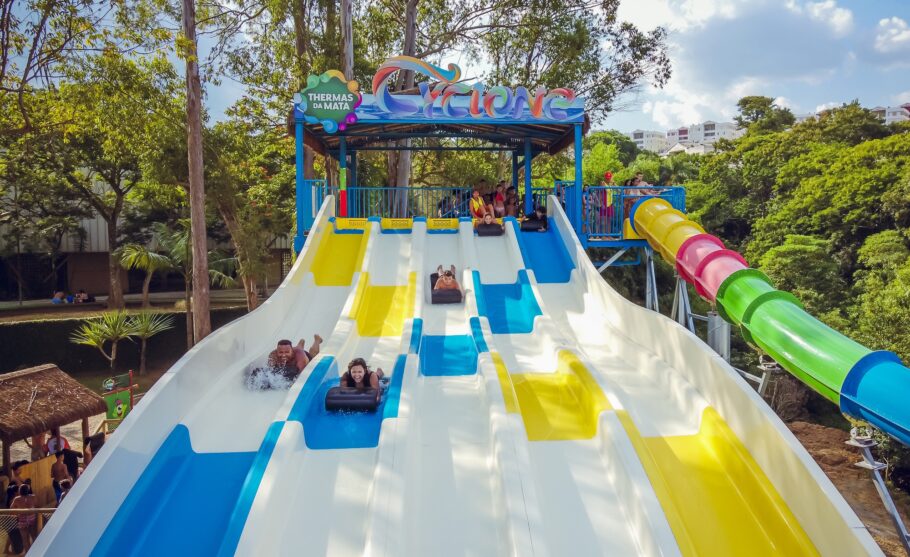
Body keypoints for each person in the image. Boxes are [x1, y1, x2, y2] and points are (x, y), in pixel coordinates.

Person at [10, 484, 37, 554]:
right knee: (34, 537)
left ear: (20, 491)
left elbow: (11, 509)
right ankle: (36, 553)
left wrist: (17, 514)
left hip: (22, 520)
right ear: (27, 490)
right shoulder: (33, 497)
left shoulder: (17, 499)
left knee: (25, 539)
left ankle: (28, 554)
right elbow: (37, 505)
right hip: (32, 519)